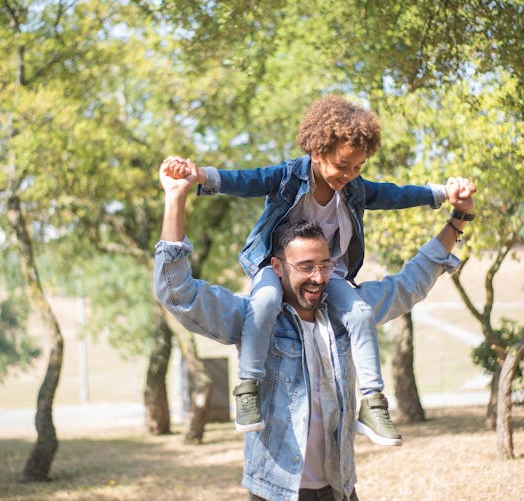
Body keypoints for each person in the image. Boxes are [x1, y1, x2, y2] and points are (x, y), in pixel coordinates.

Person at [154, 158, 476, 500]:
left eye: (325, 265)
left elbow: (409, 283)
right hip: (277, 493)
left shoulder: (346, 315)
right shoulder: (253, 319)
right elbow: (178, 293)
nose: (318, 277)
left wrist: (458, 220)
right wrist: (175, 199)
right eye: (306, 267)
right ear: (276, 267)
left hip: (340, 490)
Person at [161, 94, 474, 446]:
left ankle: (372, 402)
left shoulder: (354, 189)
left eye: (358, 167)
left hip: (336, 273)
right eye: (343, 165)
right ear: (317, 151)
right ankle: (248, 387)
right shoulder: (288, 177)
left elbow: (393, 195)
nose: (350, 175)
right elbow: (246, 180)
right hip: (271, 265)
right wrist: (197, 176)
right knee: (263, 303)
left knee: (357, 313)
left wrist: (444, 195)